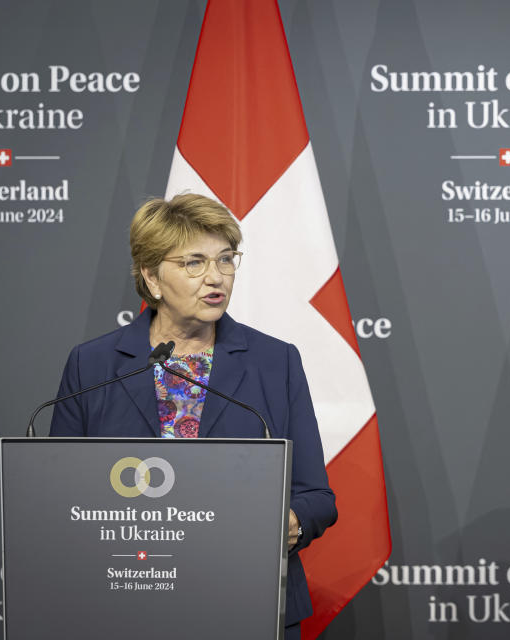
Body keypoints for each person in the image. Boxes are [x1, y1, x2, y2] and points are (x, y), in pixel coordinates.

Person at [50, 193, 336, 639]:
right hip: (125, 600)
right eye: (194, 263)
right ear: (152, 277)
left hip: (247, 599)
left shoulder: (274, 361)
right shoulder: (94, 365)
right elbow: (61, 497)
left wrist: (293, 520)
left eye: (226, 260)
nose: (216, 277)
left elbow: (316, 495)